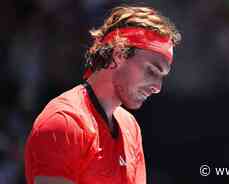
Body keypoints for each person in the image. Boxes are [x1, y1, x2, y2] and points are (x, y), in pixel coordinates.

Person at [24, 5, 181, 184]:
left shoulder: (131, 127)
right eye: (151, 71)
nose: (157, 87)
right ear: (120, 54)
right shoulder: (63, 121)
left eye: (162, 77)